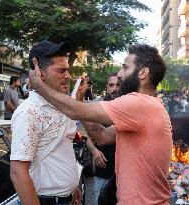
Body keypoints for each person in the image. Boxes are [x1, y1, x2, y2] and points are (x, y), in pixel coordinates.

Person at [29, 44, 173, 205]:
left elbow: (75, 111)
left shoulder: (140, 103)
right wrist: (79, 101)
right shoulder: (149, 105)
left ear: (143, 72)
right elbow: (102, 137)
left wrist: (39, 86)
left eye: (125, 68)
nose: (119, 74)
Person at [10, 40, 81, 205]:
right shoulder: (30, 112)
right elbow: (18, 172)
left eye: (68, 70)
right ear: (39, 72)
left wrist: (72, 187)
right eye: (61, 70)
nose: (68, 76)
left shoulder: (61, 106)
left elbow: (61, 152)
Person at [85, 73, 120, 204]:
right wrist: (94, 151)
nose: (114, 88)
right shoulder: (98, 108)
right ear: (107, 87)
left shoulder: (127, 108)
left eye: (118, 85)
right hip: (103, 172)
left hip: (125, 174)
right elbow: (86, 136)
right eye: (111, 85)